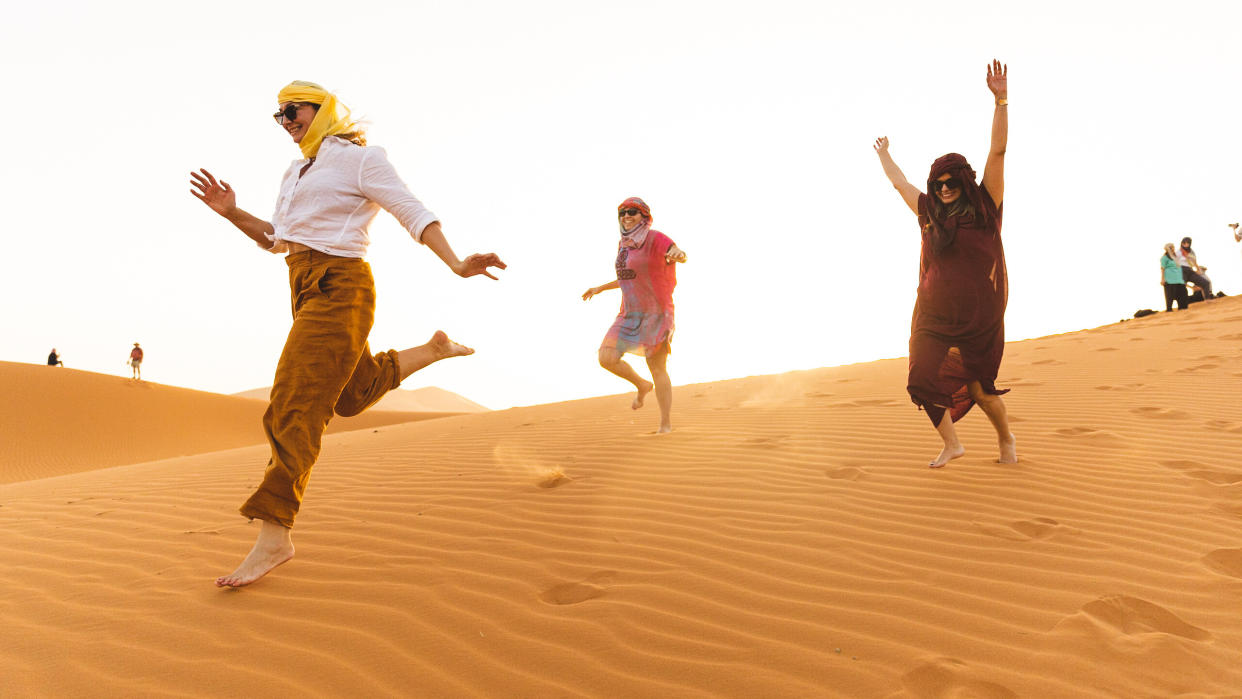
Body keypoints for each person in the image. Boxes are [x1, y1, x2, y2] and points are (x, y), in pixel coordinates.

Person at [190, 81, 505, 588]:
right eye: (279, 116)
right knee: (352, 396)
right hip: (303, 285)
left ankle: (274, 538)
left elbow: (410, 210)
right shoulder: (296, 171)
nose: (286, 121)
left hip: (342, 287)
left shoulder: (360, 159)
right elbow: (277, 239)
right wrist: (232, 214)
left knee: (294, 402)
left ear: (323, 108)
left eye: (293, 110)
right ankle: (433, 349)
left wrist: (456, 263)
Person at [872, 59, 1016, 468]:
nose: (946, 188)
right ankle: (952, 443)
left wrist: (1001, 100)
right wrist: (885, 155)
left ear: (965, 183)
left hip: (977, 317)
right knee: (920, 379)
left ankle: (1006, 439)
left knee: (980, 391)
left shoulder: (986, 206)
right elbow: (900, 184)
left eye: (953, 182)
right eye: (939, 183)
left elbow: (998, 151)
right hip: (933, 315)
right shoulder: (929, 213)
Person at [582, 197, 686, 434]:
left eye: (632, 212)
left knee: (657, 367)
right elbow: (628, 276)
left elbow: (675, 252)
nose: (626, 216)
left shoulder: (656, 238)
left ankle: (665, 424)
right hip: (628, 314)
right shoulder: (624, 245)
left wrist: (678, 254)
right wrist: (600, 288)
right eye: (622, 213)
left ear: (644, 216)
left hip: (657, 314)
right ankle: (641, 385)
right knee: (606, 357)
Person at [1161, 243, 1189, 311]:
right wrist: (1162, 279)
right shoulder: (1164, 258)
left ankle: (1183, 308)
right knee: (1170, 296)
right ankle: (1169, 310)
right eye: (1170, 248)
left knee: (1183, 293)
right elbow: (1162, 268)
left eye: (1173, 247)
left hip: (1179, 278)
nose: (1172, 249)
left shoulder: (1176, 257)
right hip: (1170, 279)